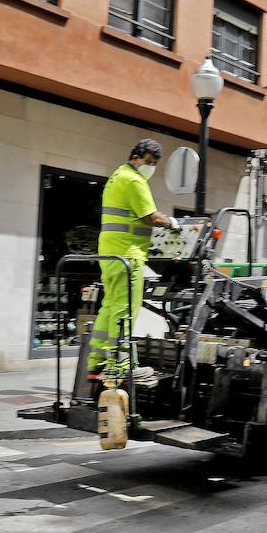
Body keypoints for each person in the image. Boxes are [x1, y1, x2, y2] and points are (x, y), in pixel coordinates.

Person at [86, 139, 178, 387]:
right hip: (128, 254)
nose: (151, 168)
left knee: (110, 307)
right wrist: (173, 223)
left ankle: (97, 363)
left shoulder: (117, 176)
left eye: (154, 164)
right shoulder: (135, 180)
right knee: (126, 311)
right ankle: (121, 366)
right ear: (135, 158)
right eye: (149, 162)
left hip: (110, 253)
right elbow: (151, 217)